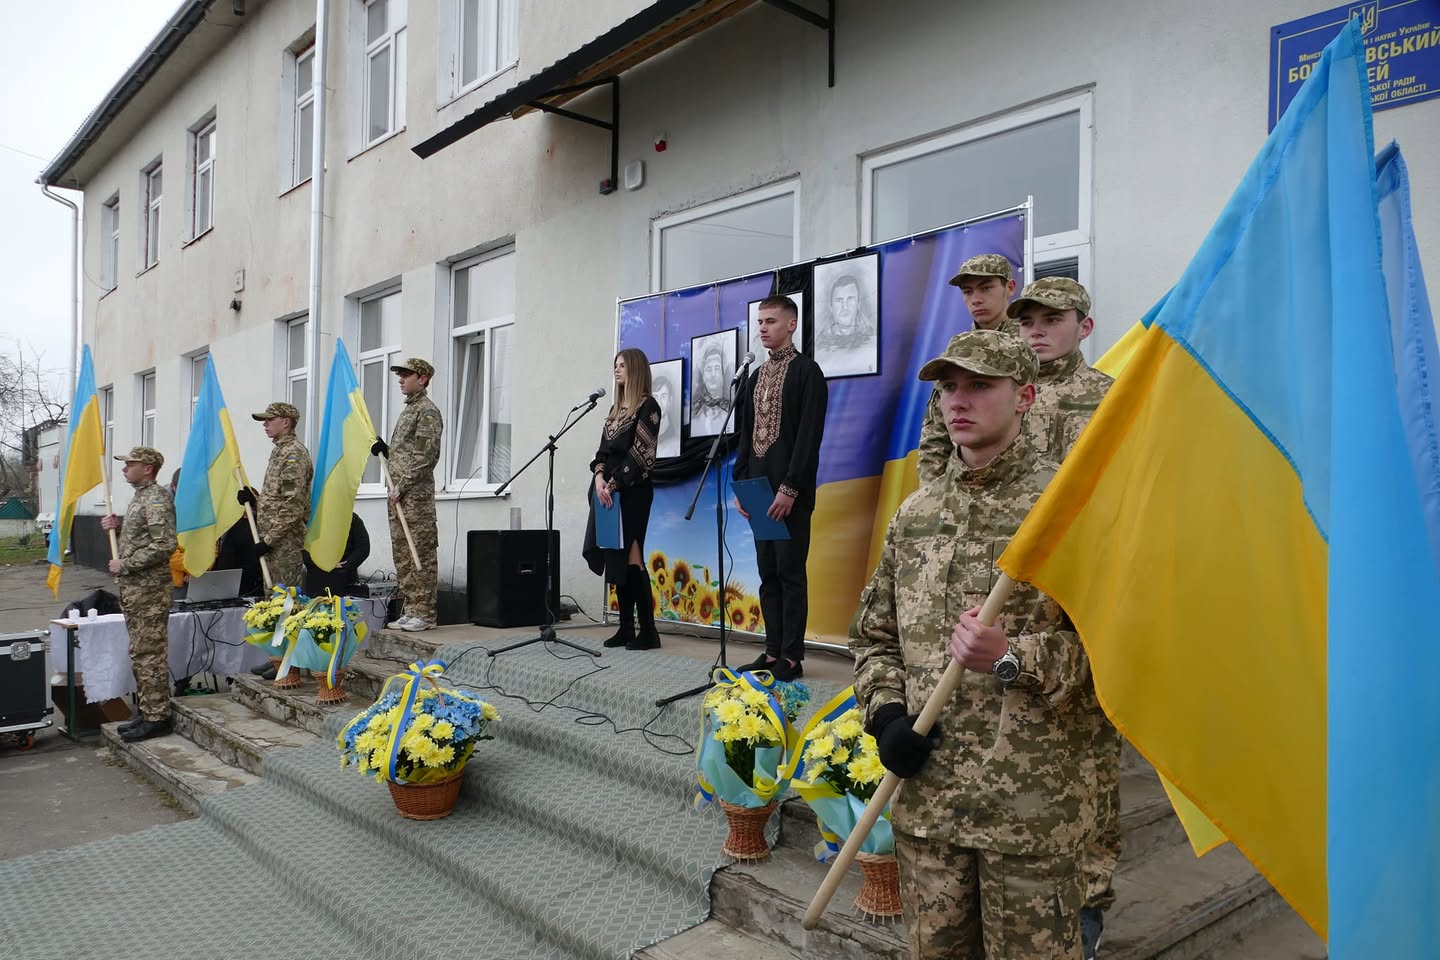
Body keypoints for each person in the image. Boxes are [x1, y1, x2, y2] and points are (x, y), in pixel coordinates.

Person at [850, 330, 1104, 960]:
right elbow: (875, 638)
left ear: (1024, 395)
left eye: (979, 385)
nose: (958, 401)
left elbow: (1116, 652)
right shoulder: (917, 513)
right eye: (949, 387)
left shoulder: (1067, 507)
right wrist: (886, 719)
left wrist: (1014, 656)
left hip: (1029, 813)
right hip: (931, 812)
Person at [1011, 276, 1117, 955]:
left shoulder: (1106, 397)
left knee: (1088, 750)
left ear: (1084, 324)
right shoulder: (1004, 393)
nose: (1038, 330)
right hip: (1014, 592)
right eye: (1029, 321)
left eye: (1053, 319)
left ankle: (1091, 895)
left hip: (1081, 587)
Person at [733, 295, 828, 681]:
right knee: (767, 572)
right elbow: (744, 436)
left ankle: (792, 656)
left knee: (790, 572)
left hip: (789, 494)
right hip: (758, 491)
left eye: (770, 321)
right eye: (759, 322)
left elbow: (809, 437)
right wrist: (741, 484)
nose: (762, 328)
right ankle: (771, 652)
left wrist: (790, 488)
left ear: (791, 324)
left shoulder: (808, 372)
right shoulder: (755, 378)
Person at [583, 348, 663, 650]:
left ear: (636, 369)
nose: (616, 370)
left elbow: (642, 453)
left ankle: (649, 631)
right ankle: (626, 627)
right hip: (608, 494)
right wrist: (599, 477)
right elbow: (601, 453)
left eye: (622, 366)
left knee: (632, 555)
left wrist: (613, 483)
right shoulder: (614, 412)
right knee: (616, 556)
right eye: (614, 365)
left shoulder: (648, 406)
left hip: (633, 493)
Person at [916, 253, 1019, 484]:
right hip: (963, 484)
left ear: (1010, 287)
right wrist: (930, 495)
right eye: (968, 292)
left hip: (1020, 483)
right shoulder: (957, 352)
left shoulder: (1032, 347)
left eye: (986, 288)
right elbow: (936, 433)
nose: (976, 299)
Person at [101, 446, 177, 743]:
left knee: (149, 653)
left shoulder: (156, 498)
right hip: (135, 589)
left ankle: (158, 716)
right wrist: (117, 527)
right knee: (140, 651)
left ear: (147, 467)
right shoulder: (140, 498)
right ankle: (148, 709)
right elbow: (141, 538)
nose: (124, 469)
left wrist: (126, 564)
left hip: (149, 590)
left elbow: (164, 544)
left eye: (129, 464)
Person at [372, 357, 442, 632]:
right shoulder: (409, 411)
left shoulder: (426, 411)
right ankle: (411, 607)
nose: (401, 379)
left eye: (406, 375)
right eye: (399, 375)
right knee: (402, 553)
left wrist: (402, 485)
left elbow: (425, 456)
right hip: (399, 495)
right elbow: (407, 453)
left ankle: (425, 612)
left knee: (419, 553)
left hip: (415, 499)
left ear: (422, 379)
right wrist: (386, 451)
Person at [239, 402, 313, 590]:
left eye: (270, 420)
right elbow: (277, 498)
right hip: (272, 540)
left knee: (285, 602)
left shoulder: (293, 454)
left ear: (286, 422)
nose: (265, 424)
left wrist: (269, 541)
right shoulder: (279, 451)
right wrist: (254, 501)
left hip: (284, 542)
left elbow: (293, 505)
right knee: (271, 599)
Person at [814, 273, 877, 376]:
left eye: (850, 299)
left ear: (858, 304)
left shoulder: (873, 343)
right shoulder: (819, 348)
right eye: (839, 300)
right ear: (831, 307)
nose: (845, 307)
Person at [303, 513, 371, 597]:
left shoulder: (351, 518)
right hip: (317, 579)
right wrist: (320, 563)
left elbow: (363, 548)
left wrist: (346, 564)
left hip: (345, 577)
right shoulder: (312, 518)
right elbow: (302, 548)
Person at [690, 341, 732, 436]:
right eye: (708, 369)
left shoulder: (731, 409)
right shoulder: (695, 410)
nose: (713, 375)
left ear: (723, 375)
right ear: (703, 377)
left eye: (717, 368)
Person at [651, 367, 681, 459]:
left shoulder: (676, 437)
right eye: (655, 397)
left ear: (670, 401)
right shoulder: (644, 434)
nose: (659, 402)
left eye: (663, 396)